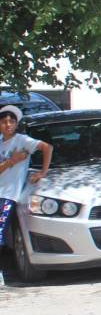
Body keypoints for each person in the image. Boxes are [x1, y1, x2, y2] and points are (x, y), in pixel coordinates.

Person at [0, 105, 52, 284]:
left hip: (8, 195)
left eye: (11, 121)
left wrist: (42, 172)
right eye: (4, 121)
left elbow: (47, 147)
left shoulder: (22, 141)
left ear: (16, 124)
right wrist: (11, 161)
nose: (8, 125)